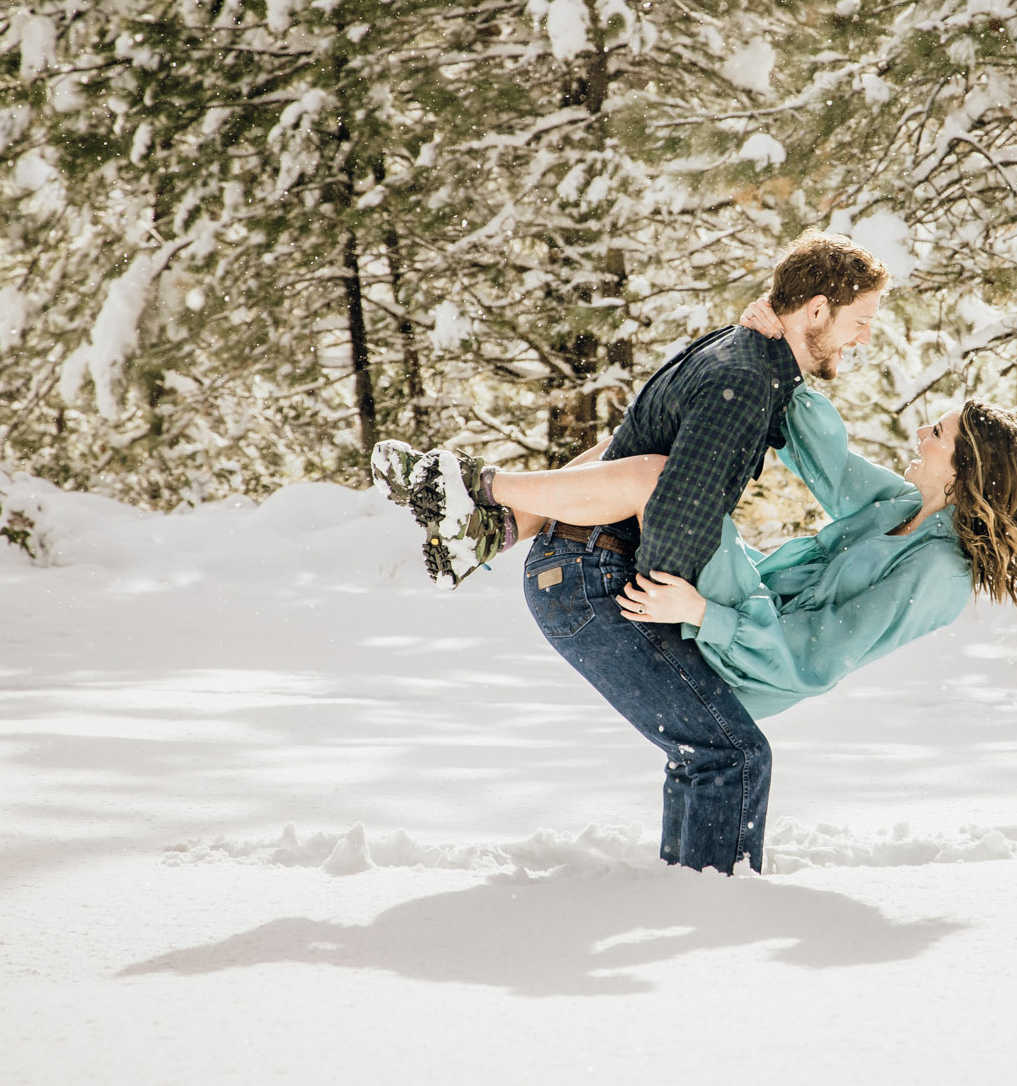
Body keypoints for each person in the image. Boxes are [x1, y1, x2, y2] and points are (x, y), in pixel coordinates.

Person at [377, 232, 889, 875]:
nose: (865, 338)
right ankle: (711, 905)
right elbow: (679, 512)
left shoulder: (746, 359)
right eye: (861, 322)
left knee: (713, 750)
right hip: (596, 579)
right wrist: (683, 605)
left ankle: (494, 523)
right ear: (816, 311)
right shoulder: (745, 379)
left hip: (577, 565)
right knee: (728, 754)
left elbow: (635, 452)